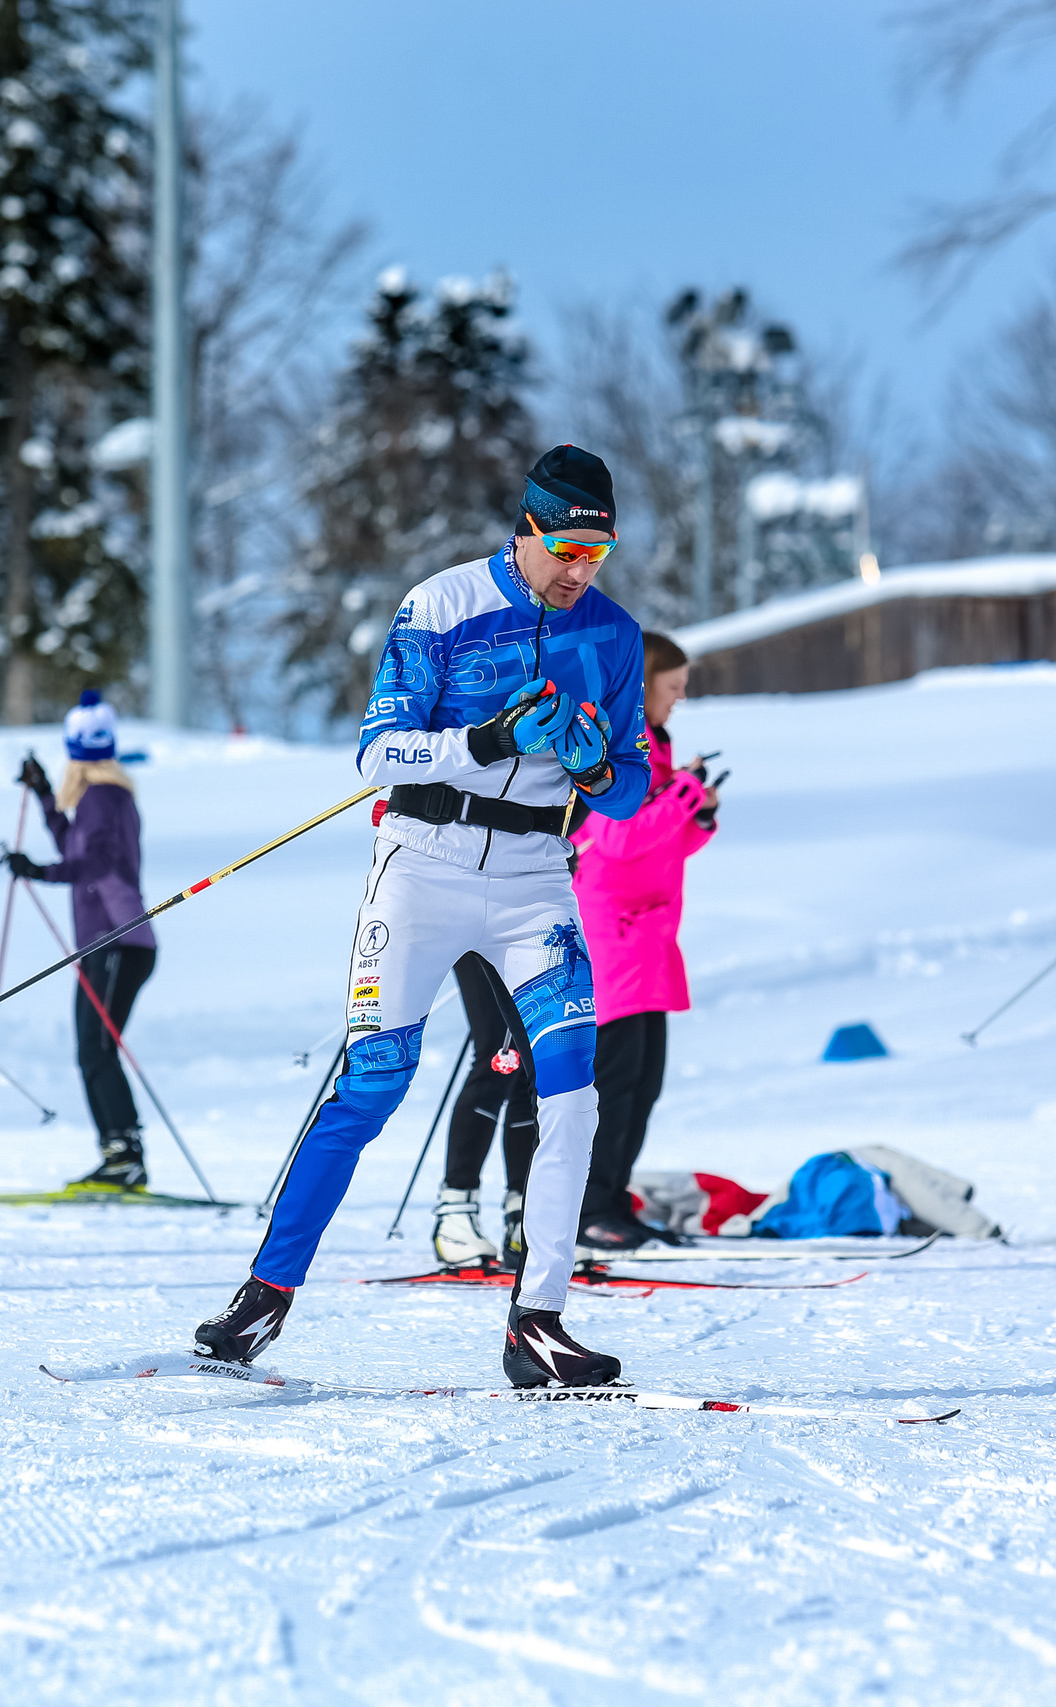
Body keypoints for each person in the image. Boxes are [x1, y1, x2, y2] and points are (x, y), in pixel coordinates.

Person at [194, 444, 652, 1389]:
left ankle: (539, 1318)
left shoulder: (613, 635)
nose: (579, 571)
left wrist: (597, 766)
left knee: (572, 1088)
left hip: (535, 872)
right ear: (526, 527)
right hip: (424, 863)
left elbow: (632, 790)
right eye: (566, 548)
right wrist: (484, 740)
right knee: (374, 1084)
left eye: (596, 556)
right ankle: (265, 1292)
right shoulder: (439, 606)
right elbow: (377, 755)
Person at [571, 631, 719, 1252]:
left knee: (644, 1082)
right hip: (615, 936)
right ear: (646, 684)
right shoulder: (620, 744)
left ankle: (612, 1199)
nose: (681, 698)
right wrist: (684, 793)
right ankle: (587, 1208)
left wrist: (699, 816)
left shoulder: (657, 748)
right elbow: (620, 838)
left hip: (650, 937)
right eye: (674, 686)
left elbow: (662, 843)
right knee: (615, 1082)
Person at [2, 691, 157, 1191]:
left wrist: (36, 870)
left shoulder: (100, 798)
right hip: (113, 943)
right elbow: (76, 846)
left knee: (95, 1049)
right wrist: (45, 794)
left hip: (115, 940)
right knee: (96, 1049)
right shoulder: (108, 796)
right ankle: (123, 1154)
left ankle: (123, 1157)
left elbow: (92, 863)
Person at [430, 953, 541, 1267]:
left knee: (528, 1060)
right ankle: (455, 1215)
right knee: (497, 1054)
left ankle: (522, 1216)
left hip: (528, 922)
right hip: (476, 925)